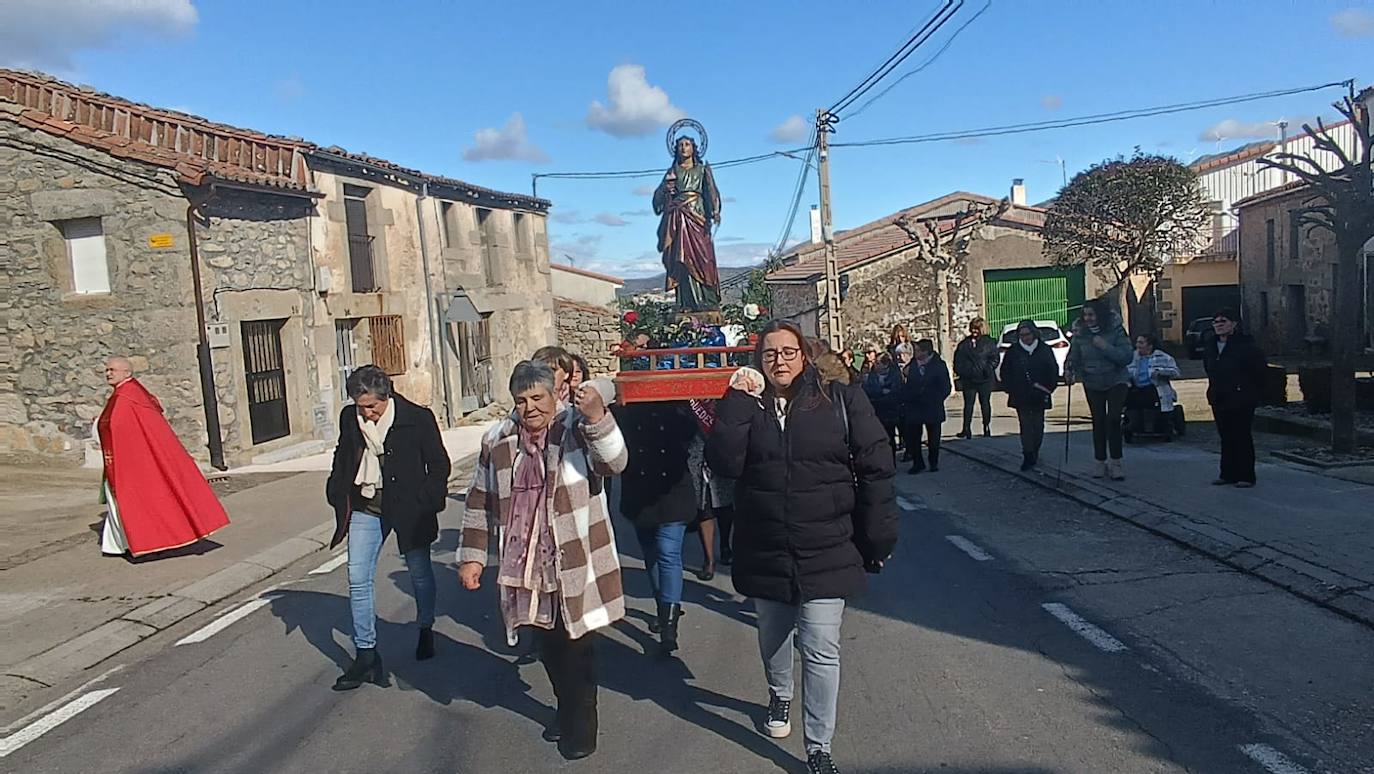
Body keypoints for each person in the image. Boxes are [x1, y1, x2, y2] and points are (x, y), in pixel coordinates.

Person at [706, 320, 899, 774]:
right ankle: (779, 693)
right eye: (770, 353)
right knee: (774, 637)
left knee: (821, 646)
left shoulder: (840, 399)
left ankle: (819, 745)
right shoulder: (746, 404)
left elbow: (877, 467)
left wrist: (879, 536)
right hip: (765, 543)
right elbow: (724, 463)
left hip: (828, 544)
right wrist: (735, 400)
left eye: (788, 352)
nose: (780, 361)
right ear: (758, 359)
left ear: (804, 355)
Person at [458, 362, 627, 760]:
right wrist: (472, 558)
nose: (530, 407)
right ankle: (566, 710)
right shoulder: (499, 440)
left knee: (577, 646)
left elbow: (614, 462)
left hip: (575, 558)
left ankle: (582, 726)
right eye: (522, 400)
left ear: (555, 396)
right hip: (527, 563)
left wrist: (598, 416)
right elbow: (480, 498)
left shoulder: (575, 430)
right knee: (548, 646)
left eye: (537, 397)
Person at [324, 366, 449, 690]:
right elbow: (343, 453)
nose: (367, 413)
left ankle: (425, 628)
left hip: (410, 509)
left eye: (373, 407)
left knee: (419, 572)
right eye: (361, 406)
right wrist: (336, 486)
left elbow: (438, 464)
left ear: (387, 397)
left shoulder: (418, 418)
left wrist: (428, 501)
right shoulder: (350, 419)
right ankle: (366, 655)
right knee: (357, 577)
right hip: (367, 505)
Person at [96, 356, 229, 557]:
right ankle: (120, 544)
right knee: (124, 506)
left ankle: (129, 544)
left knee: (137, 503)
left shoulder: (128, 396)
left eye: (112, 370)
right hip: (127, 459)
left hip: (133, 463)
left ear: (127, 372)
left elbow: (121, 427)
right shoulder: (127, 394)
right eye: (107, 370)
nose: (108, 373)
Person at [612, 401, 696, 653]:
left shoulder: (680, 407)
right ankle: (664, 608)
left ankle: (669, 626)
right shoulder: (625, 408)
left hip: (673, 493)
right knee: (651, 554)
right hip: (640, 494)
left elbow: (692, 437)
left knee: (668, 553)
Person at [1065, 300, 1134, 480]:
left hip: (1116, 380)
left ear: (1100, 316)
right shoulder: (1080, 334)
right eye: (1085, 315)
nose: (1088, 319)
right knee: (1098, 420)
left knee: (1113, 419)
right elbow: (1074, 355)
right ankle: (1100, 462)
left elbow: (1126, 356)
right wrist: (1070, 369)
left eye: (1092, 315)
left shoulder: (1116, 330)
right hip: (1092, 381)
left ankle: (1116, 462)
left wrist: (1104, 346)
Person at [654, 134, 722, 311]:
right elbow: (658, 199)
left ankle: (708, 299)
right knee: (681, 258)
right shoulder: (673, 171)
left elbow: (711, 191)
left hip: (698, 216)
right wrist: (666, 189)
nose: (683, 148)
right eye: (680, 145)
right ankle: (687, 303)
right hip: (678, 217)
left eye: (687, 144)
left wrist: (715, 210)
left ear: (694, 148)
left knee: (704, 258)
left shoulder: (702, 169)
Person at [1203, 309, 1268, 488]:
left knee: (1241, 436)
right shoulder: (1210, 345)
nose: (1218, 324)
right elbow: (1209, 369)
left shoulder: (1246, 346)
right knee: (1225, 436)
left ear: (1233, 324)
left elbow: (1260, 371)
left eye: (1223, 321)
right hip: (1219, 396)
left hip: (1241, 397)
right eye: (1215, 322)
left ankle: (1246, 476)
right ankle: (1227, 473)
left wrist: (1249, 391)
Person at [998, 321, 1059, 471]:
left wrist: (1049, 388)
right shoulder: (1014, 351)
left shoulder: (1044, 349)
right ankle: (1028, 454)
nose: (1025, 338)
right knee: (1025, 426)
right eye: (1021, 335)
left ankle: (1035, 451)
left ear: (1034, 333)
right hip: (1021, 395)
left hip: (1040, 393)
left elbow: (1053, 370)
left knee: (1038, 426)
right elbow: (1005, 372)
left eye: (1027, 334)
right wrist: (1010, 388)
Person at [900, 339, 952, 474]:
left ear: (926, 351)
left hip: (932, 405)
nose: (915, 353)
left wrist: (937, 399)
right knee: (913, 437)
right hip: (914, 405)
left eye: (918, 350)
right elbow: (906, 383)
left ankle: (933, 462)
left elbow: (946, 387)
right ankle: (918, 463)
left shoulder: (938, 365)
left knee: (934, 438)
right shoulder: (912, 365)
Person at [1125, 334, 1181, 440]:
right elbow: (1123, 372)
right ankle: (1132, 424)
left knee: (1149, 398)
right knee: (1131, 401)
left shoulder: (1163, 357)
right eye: (1137, 342)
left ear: (1150, 346)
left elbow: (1176, 372)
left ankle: (1156, 425)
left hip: (1155, 388)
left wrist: (1161, 373)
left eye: (1141, 343)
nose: (1138, 345)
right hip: (1136, 388)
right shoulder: (1132, 357)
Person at [952, 317, 1000, 439]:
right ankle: (966, 428)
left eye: (977, 329)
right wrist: (962, 372)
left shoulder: (989, 343)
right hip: (969, 379)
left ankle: (986, 426)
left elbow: (994, 359)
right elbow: (958, 360)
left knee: (985, 403)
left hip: (985, 379)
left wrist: (987, 369)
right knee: (968, 404)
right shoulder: (964, 344)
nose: (974, 331)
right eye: (972, 328)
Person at [862, 354, 901, 459]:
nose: (876, 365)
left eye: (878, 363)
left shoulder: (894, 375)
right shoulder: (872, 376)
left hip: (890, 411)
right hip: (876, 409)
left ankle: (891, 458)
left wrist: (885, 394)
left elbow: (895, 392)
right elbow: (868, 390)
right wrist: (881, 391)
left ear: (886, 364)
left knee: (890, 436)